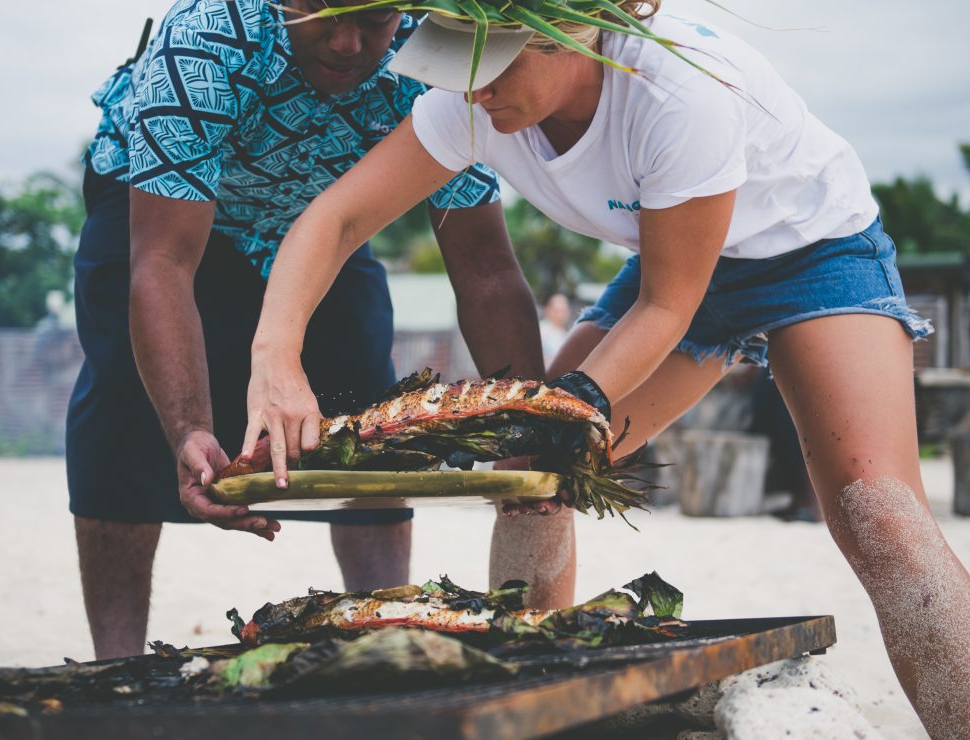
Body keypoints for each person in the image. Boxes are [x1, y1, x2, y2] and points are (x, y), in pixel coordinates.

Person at [237, 2, 970, 735]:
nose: (475, 91)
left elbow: (667, 307)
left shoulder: (679, 88)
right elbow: (335, 219)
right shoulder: (465, 102)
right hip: (672, 262)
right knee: (535, 477)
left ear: (571, 36)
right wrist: (274, 355)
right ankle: (532, 710)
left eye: (495, 66)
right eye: (463, 67)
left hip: (809, 254)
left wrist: (576, 399)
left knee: (881, 517)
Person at [66, 0, 538, 660]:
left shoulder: (446, 55)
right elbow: (164, 264)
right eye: (326, 17)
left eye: (374, 22)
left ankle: (388, 638)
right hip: (161, 207)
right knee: (124, 411)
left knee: (373, 411)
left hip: (321, 216)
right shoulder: (206, 41)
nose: (348, 44)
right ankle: (115, 663)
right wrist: (188, 427)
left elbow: (485, 264)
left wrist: (528, 428)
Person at [538, 292, 572, 367]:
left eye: (564, 311)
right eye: (558, 311)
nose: (561, 315)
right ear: (548, 310)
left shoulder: (566, 333)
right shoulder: (542, 330)